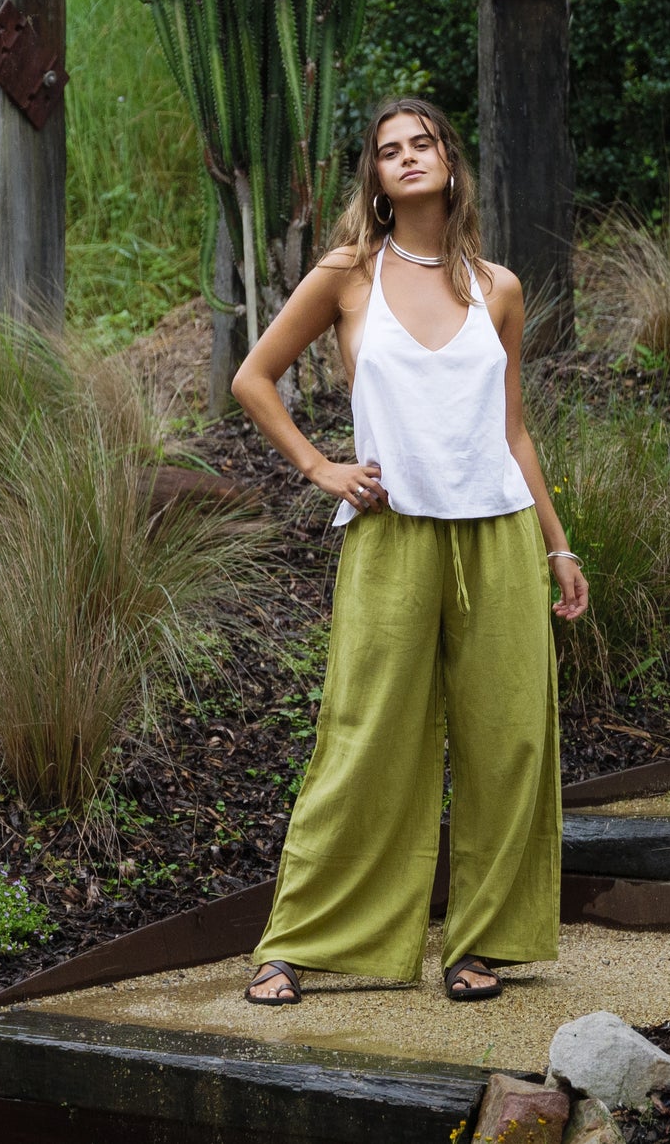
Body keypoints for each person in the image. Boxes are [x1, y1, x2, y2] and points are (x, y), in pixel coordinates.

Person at [231, 97, 588, 1005]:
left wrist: (557, 545)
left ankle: (479, 945)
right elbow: (253, 377)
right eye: (389, 151)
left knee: (509, 742)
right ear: (377, 181)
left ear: (450, 163)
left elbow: (512, 431)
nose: (407, 157)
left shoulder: (496, 287)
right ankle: (298, 944)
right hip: (391, 533)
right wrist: (321, 467)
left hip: (500, 538)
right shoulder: (348, 275)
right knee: (366, 736)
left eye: (422, 142)